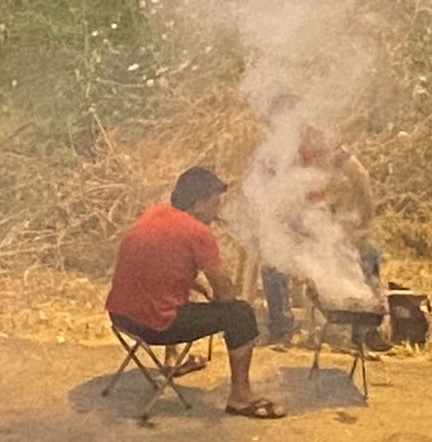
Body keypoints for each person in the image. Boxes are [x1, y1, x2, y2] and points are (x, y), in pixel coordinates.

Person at [106, 166, 287, 420]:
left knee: (179, 294)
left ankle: (171, 362)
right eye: (215, 204)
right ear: (200, 203)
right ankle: (241, 396)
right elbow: (225, 293)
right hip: (154, 326)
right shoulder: (198, 232)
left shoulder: (155, 213)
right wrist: (222, 296)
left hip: (120, 316)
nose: (216, 212)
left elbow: (158, 268)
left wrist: (198, 286)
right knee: (240, 314)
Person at [260, 126, 381, 348]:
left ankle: (365, 331)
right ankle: (281, 329)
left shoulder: (323, 143)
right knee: (271, 261)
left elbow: (360, 174)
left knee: (369, 251)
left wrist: (363, 223)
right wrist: (280, 228)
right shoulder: (276, 150)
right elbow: (263, 193)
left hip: (324, 222)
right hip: (289, 225)